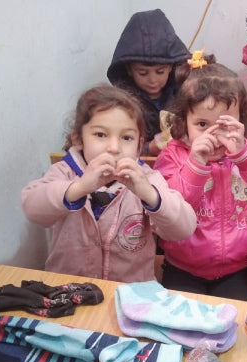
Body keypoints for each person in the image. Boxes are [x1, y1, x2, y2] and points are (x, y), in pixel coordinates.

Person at [154, 55, 247, 301]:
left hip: (237, 268)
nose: (214, 133)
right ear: (184, 122)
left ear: (241, 120)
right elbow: (173, 211)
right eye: (201, 124)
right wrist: (196, 164)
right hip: (181, 266)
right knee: (181, 329)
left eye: (225, 123)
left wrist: (245, 155)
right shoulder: (174, 155)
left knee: (234, 326)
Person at [21, 85, 197, 283]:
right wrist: (78, 188)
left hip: (131, 295)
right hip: (67, 291)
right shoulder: (65, 172)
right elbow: (32, 208)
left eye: (126, 138)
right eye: (100, 135)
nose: (114, 148)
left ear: (139, 146)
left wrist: (149, 195)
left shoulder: (147, 179)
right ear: (78, 139)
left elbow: (184, 229)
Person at [107, 9, 190, 156]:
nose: (153, 80)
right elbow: (114, 144)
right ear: (129, 69)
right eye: (143, 73)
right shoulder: (121, 102)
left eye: (160, 72)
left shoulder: (184, 93)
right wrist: (147, 148)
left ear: (171, 66)